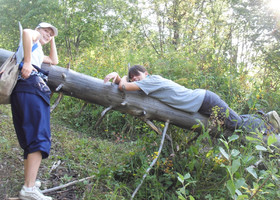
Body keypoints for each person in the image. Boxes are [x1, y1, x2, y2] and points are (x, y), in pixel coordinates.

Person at [104, 65, 280, 134]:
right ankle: (263, 119)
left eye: (136, 75)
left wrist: (120, 78)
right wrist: (122, 80)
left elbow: (124, 88)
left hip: (205, 99)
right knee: (233, 122)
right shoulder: (148, 84)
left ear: (146, 74)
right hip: (202, 102)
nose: (134, 78)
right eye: (131, 76)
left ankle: (269, 124)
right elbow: (127, 87)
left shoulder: (151, 81)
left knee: (236, 124)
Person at [11, 22, 58, 200]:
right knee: (39, 136)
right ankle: (29, 189)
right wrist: (29, 62)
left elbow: (54, 61)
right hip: (31, 87)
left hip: (23, 90)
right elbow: (26, 32)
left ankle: (29, 183)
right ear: (38, 29)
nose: (48, 34)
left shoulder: (37, 49)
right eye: (46, 30)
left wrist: (52, 40)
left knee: (31, 138)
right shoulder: (33, 37)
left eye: (51, 33)